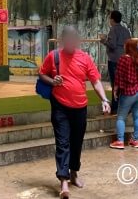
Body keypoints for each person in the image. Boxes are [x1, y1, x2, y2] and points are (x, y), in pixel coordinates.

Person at [39, 26, 111, 198]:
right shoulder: (54, 56)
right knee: (62, 142)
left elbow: (95, 81)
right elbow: (42, 74)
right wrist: (52, 81)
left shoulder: (85, 58)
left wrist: (104, 100)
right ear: (63, 40)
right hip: (60, 106)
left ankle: (73, 173)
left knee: (76, 142)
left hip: (80, 107)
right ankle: (63, 182)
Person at [110, 40, 138, 150]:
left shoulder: (123, 59)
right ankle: (136, 140)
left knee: (121, 117)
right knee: (137, 115)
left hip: (129, 91)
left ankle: (120, 141)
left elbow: (118, 76)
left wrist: (115, 89)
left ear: (127, 48)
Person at [100, 10, 131, 113]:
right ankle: (127, 106)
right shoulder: (126, 30)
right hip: (125, 59)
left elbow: (112, 45)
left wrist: (104, 40)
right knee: (125, 83)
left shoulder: (113, 30)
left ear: (112, 20)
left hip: (114, 60)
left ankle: (115, 107)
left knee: (115, 84)